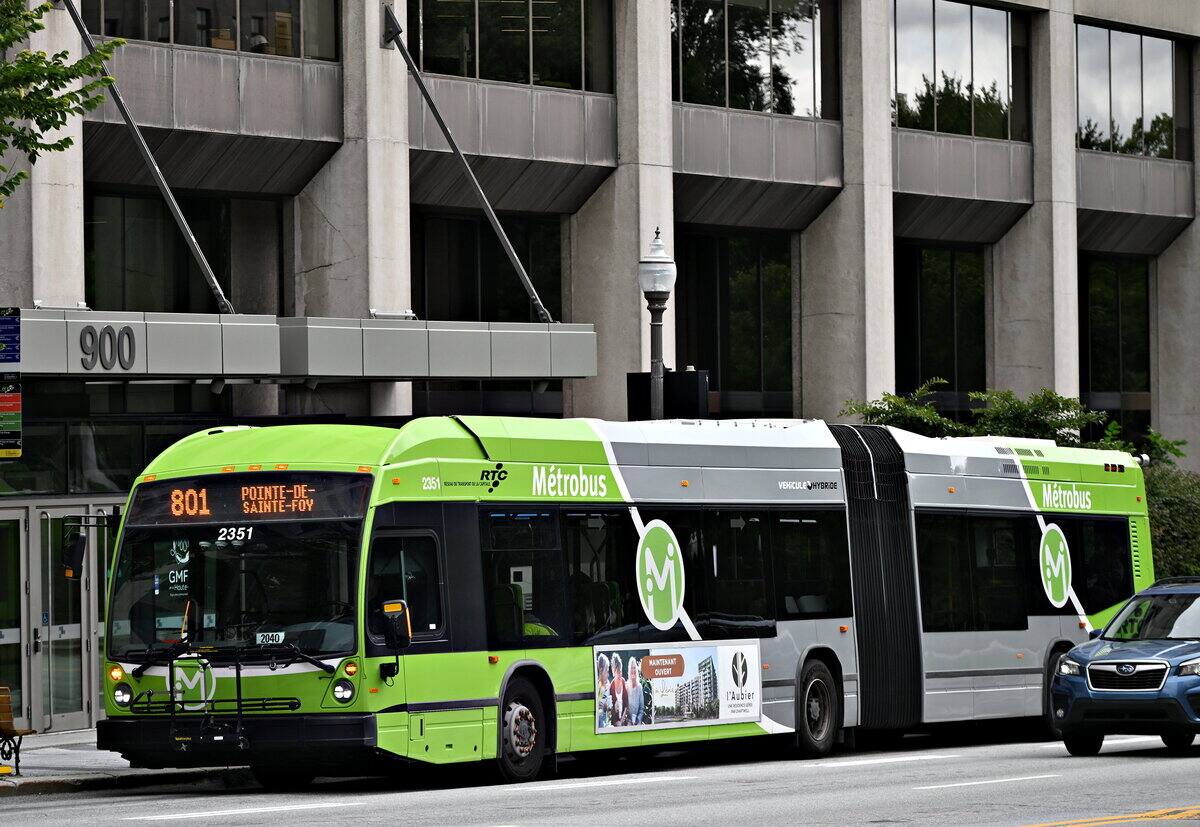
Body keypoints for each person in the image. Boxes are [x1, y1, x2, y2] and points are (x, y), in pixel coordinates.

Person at [608, 652, 628, 726]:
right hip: (615, 722)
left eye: (620, 671)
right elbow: (610, 709)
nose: (620, 674)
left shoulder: (623, 681)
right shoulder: (611, 687)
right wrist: (617, 722)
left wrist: (622, 719)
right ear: (613, 671)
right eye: (617, 672)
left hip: (624, 719)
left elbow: (626, 703)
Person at [626, 657, 644, 726]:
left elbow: (641, 708)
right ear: (629, 670)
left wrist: (638, 719)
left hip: (637, 721)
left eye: (634, 668)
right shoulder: (626, 686)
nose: (633, 670)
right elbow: (625, 707)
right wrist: (628, 720)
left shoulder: (639, 687)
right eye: (631, 668)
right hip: (628, 721)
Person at [595, 653, 611, 729]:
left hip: (604, 724)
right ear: (601, 671)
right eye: (607, 671)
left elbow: (608, 713)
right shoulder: (597, 686)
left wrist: (606, 708)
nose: (608, 674)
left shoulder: (606, 686)